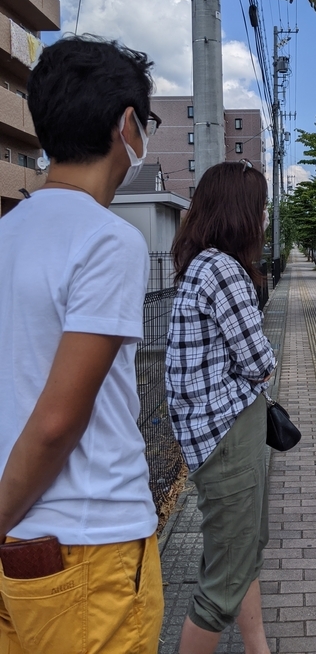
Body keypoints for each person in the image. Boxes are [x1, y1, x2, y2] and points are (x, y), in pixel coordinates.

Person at [0, 35, 164, 654]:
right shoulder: (105, 239)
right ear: (128, 126)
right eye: (143, 124)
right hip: (92, 548)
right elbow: (58, 420)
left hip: (18, 548)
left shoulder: (7, 234)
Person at [166, 160, 275, 654]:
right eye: (262, 207)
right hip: (228, 434)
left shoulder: (199, 265)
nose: (266, 216)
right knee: (221, 584)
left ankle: (258, 649)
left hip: (208, 435)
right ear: (241, 213)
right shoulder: (226, 270)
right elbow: (259, 361)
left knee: (240, 554)